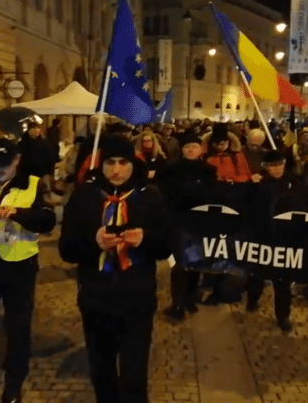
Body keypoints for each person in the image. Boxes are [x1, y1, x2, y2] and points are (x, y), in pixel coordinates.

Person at [60, 135, 170, 403]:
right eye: (110, 162)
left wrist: (146, 239)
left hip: (137, 298)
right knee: (101, 370)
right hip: (96, 298)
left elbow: (167, 246)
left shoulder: (150, 196)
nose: (117, 170)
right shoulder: (84, 196)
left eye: (123, 162)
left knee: (134, 373)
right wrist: (93, 240)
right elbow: (67, 250)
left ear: (133, 164)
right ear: (101, 164)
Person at [0, 139, 56, 403]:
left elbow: (48, 219)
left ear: (16, 160)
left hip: (19, 266)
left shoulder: (33, 183)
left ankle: (14, 383)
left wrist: (17, 213)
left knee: (18, 329)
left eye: (5, 164)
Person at [156, 133, 217, 322]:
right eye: (187, 147)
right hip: (179, 222)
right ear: (182, 150)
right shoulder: (171, 169)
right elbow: (163, 193)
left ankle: (190, 298)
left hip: (200, 223)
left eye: (194, 147)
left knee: (196, 263)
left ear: (201, 149)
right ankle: (178, 304)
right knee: (180, 265)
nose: (191, 150)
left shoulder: (208, 170)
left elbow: (213, 194)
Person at [245, 150, 307, 333]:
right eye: (273, 166)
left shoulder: (295, 182)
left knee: (283, 279)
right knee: (256, 272)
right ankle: (252, 299)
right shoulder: (260, 183)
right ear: (266, 167)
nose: (277, 169)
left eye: (280, 165)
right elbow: (247, 204)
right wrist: (252, 186)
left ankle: (283, 315)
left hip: (285, 237)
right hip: (262, 236)